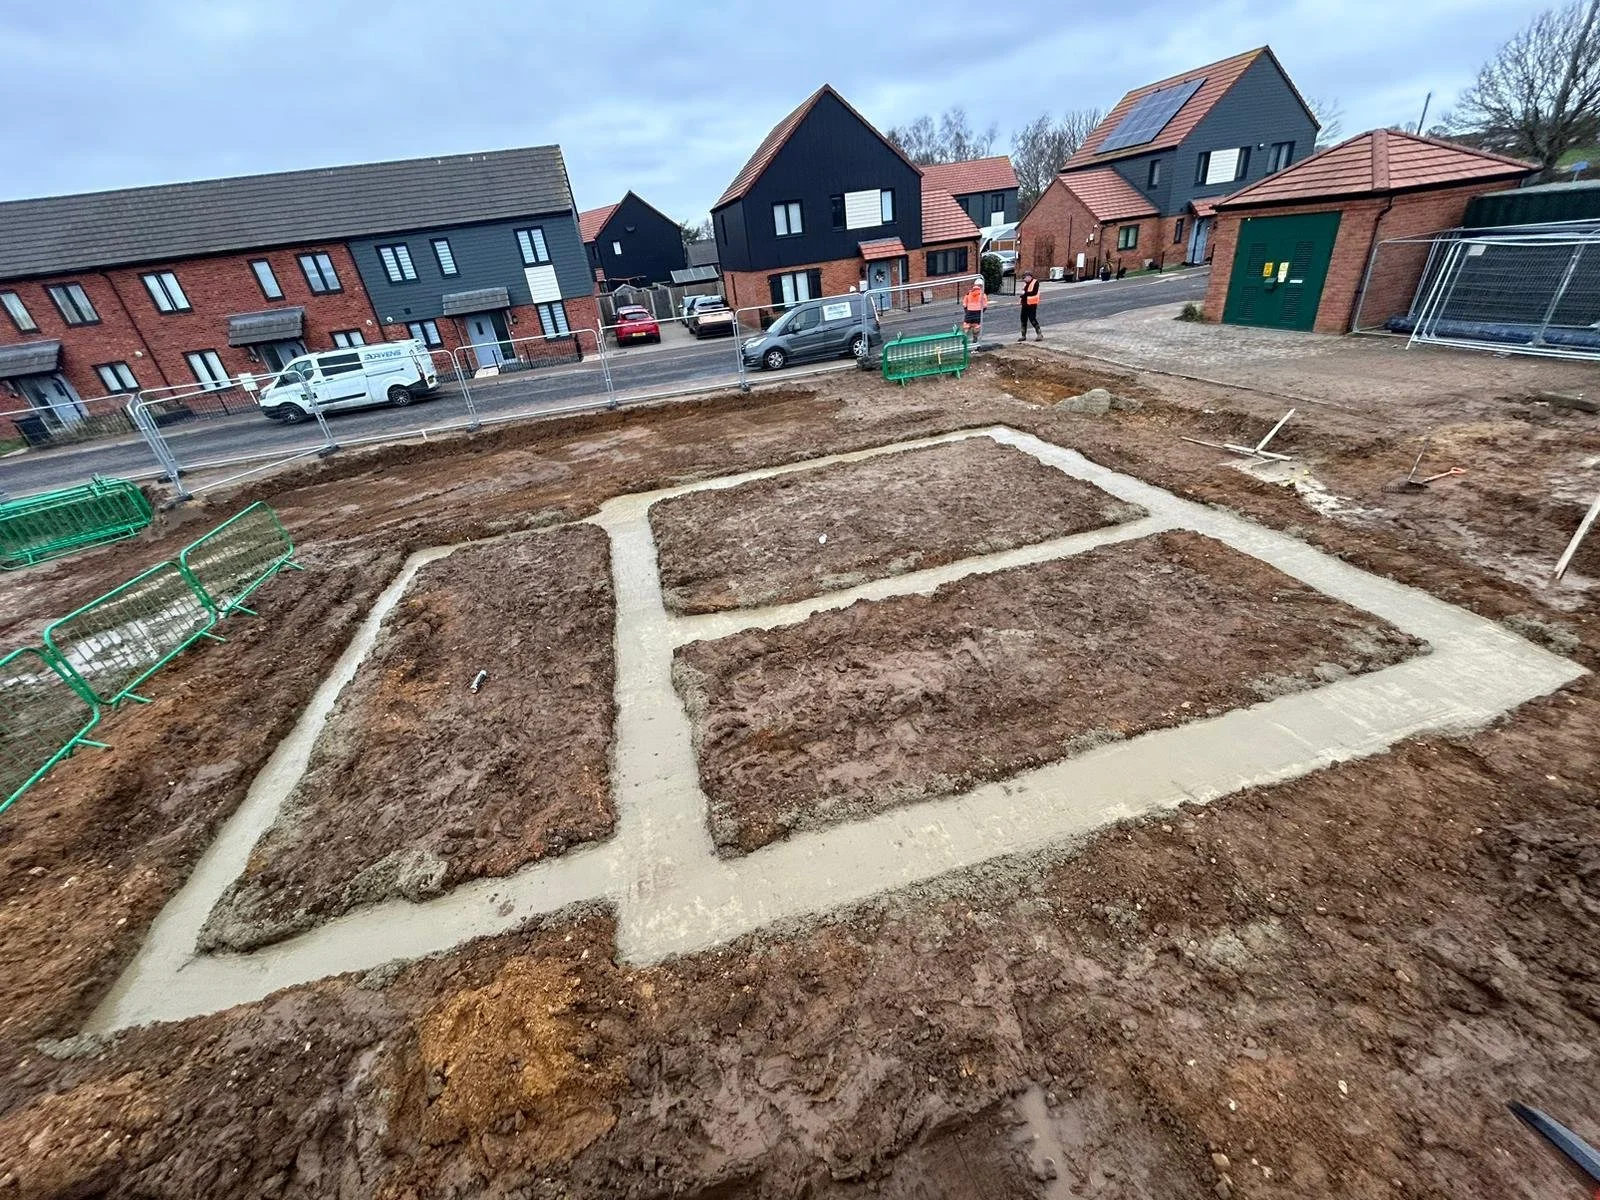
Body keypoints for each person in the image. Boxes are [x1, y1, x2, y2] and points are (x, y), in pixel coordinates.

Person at [961, 276, 988, 341]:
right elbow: (985, 306)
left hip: (969, 313)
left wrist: (967, 311)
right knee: (976, 326)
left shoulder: (968, 294)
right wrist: (981, 312)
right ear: (982, 286)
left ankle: (965, 338)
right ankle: (975, 340)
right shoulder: (982, 295)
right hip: (978, 313)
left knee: (966, 325)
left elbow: (964, 305)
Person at [1018, 272, 1043, 342]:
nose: (1024, 279)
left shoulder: (1035, 282)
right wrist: (1022, 296)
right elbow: (1024, 293)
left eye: (1025, 278)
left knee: (1032, 319)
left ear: (1029, 277)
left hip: (1032, 304)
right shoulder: (1026, 284)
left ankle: (1039, 334)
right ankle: (1023, 335)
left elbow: (1034, 292)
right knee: (1023, 319)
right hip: (1025, 304)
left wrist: (1025, 294)